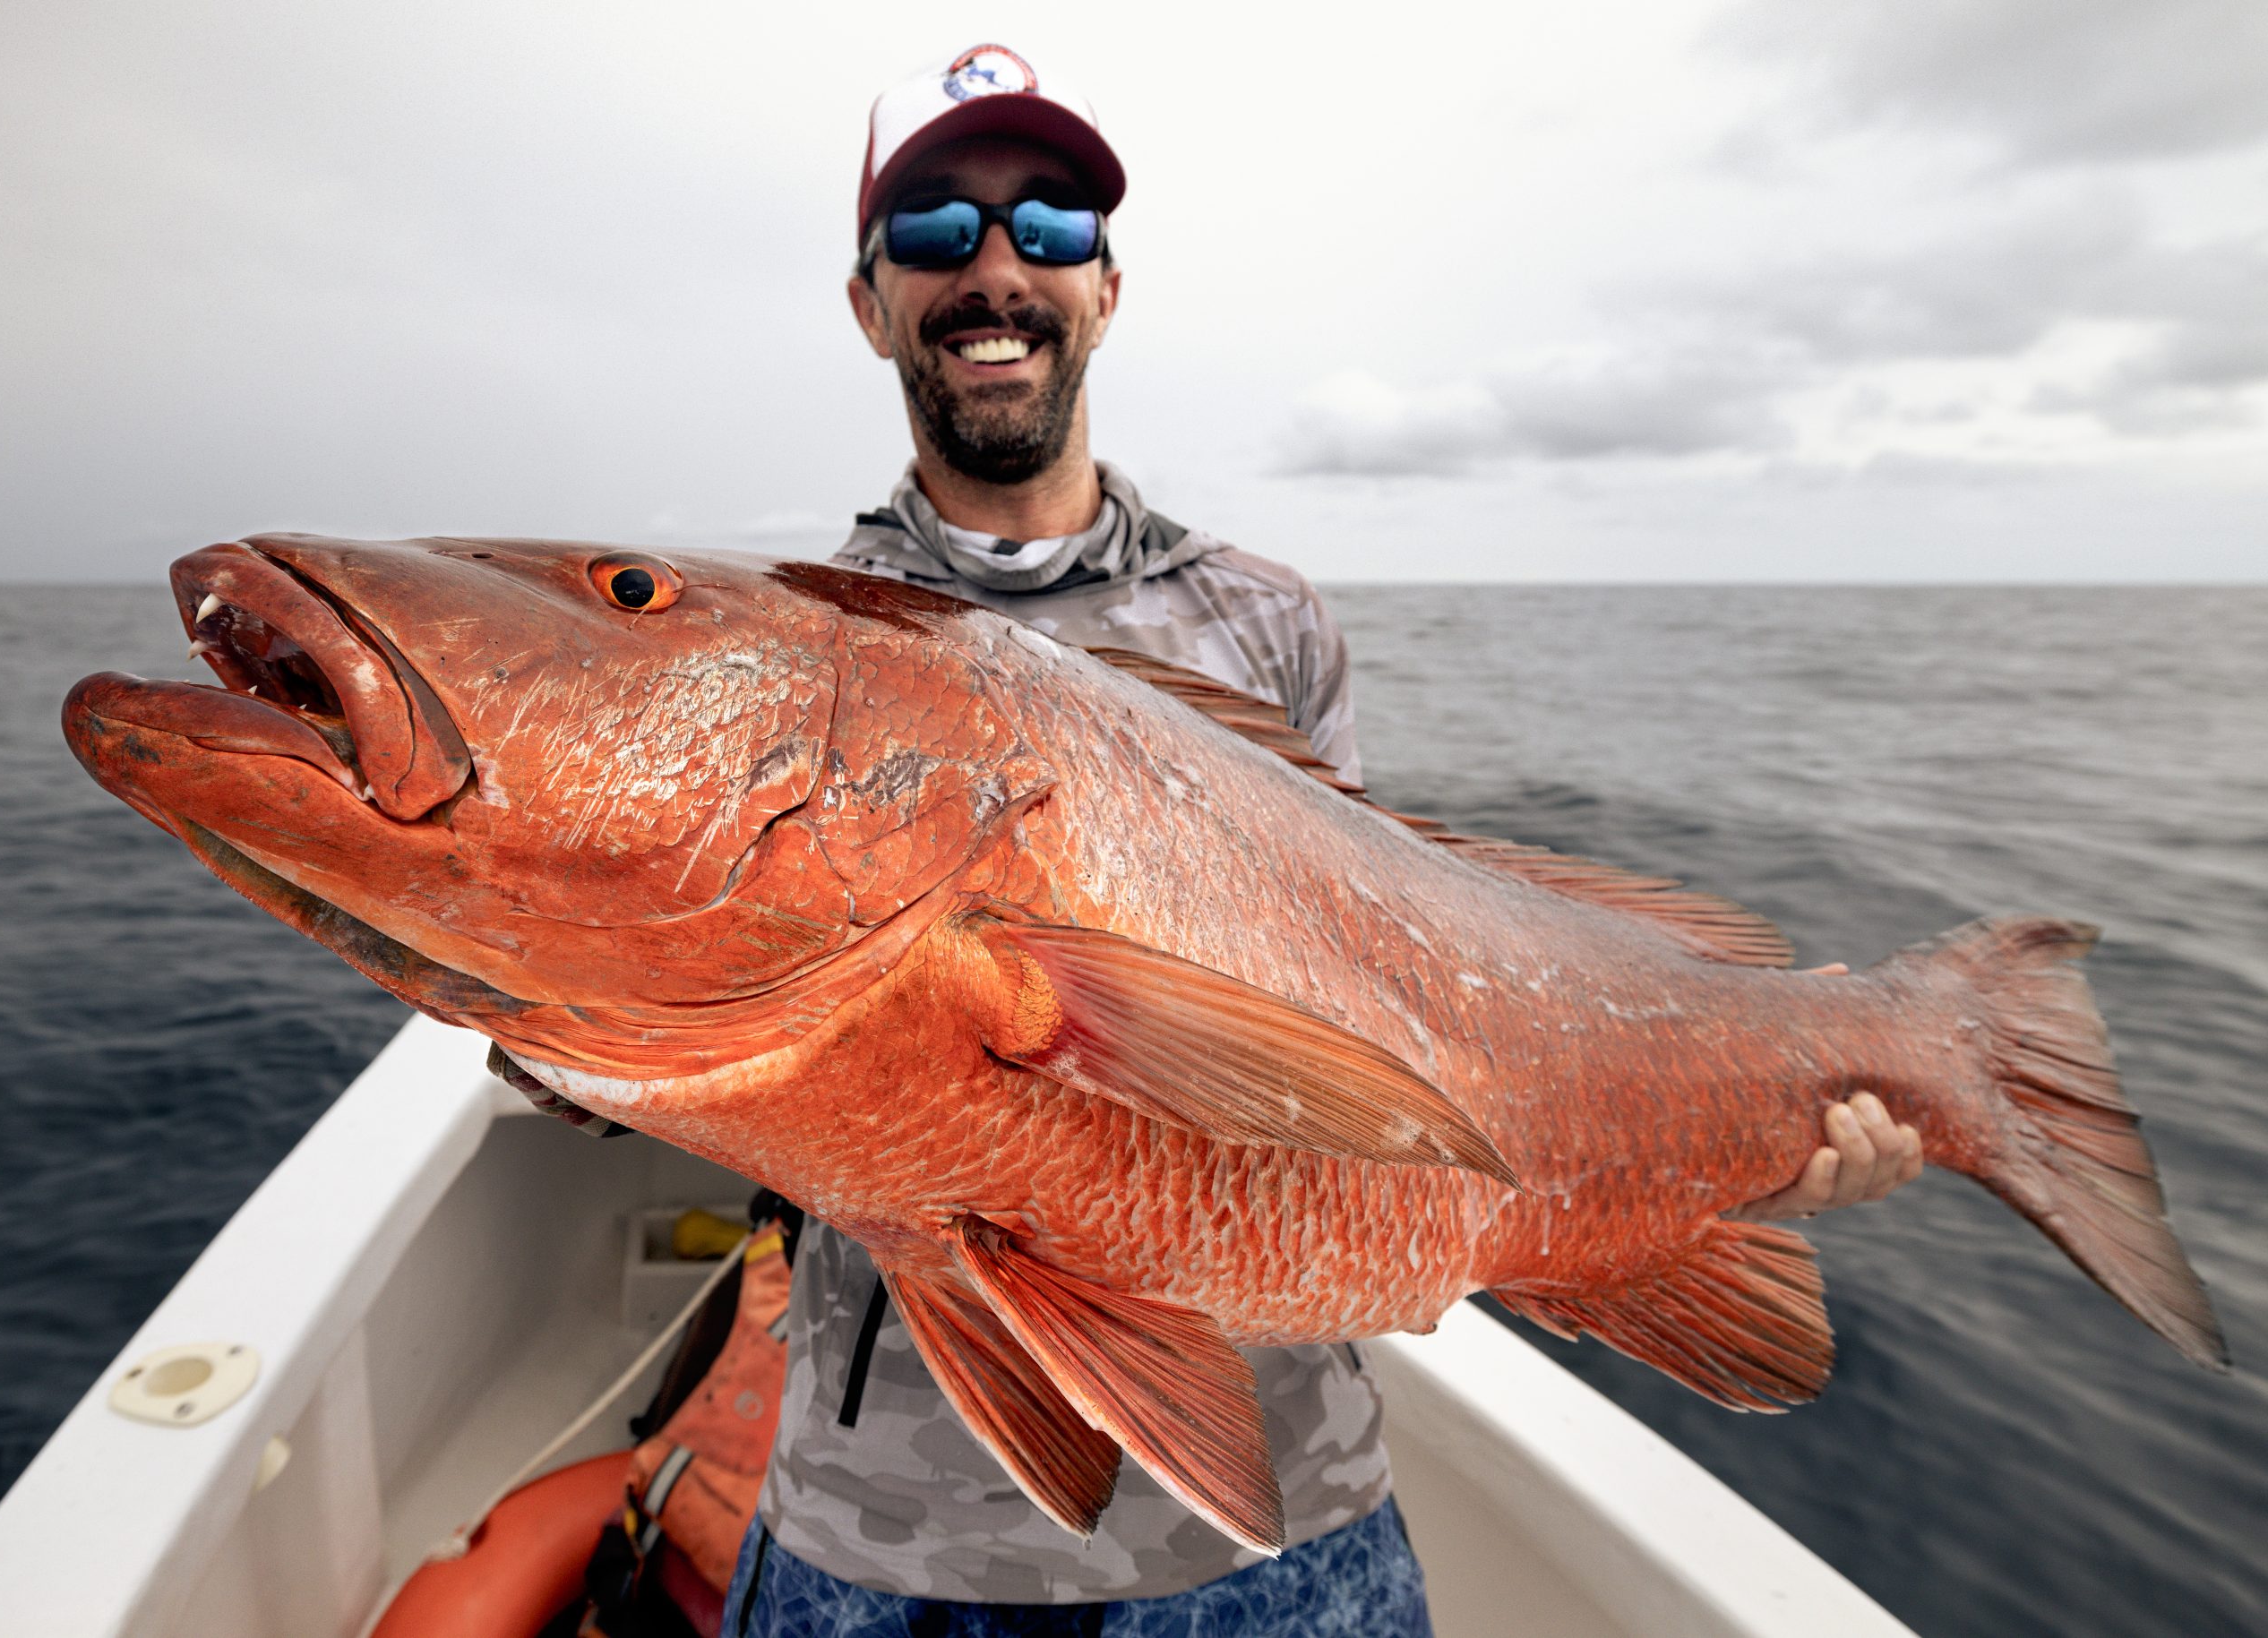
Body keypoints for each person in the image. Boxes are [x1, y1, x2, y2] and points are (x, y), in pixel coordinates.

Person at [720, 44, 1925, 1638]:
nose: (995, 268)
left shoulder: (1262, 618)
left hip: (1281, 1504)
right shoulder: (782, 653)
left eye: (1050, 225)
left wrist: (1738, 1123)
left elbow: (1413, 972)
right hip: (883, 1525)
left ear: (1108, 285)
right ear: (871, 301)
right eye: (935, 229)